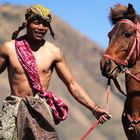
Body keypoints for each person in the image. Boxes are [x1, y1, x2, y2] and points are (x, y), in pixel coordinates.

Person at [0, 4, 111, 140]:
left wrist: (94, 108)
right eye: (36, 23)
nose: (41, 28)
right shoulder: (9, 48)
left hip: (40, 111)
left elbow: (72, 84)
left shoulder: (54, 52)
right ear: (27, 23)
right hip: (14, 111)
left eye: (45, 24)